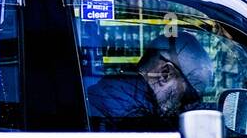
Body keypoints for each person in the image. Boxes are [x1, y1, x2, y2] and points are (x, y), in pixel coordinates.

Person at [86, 30, 215, 128]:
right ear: (165, 74)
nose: (184, 107)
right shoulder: (136, 118)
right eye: (188, 97)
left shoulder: (119, 93)